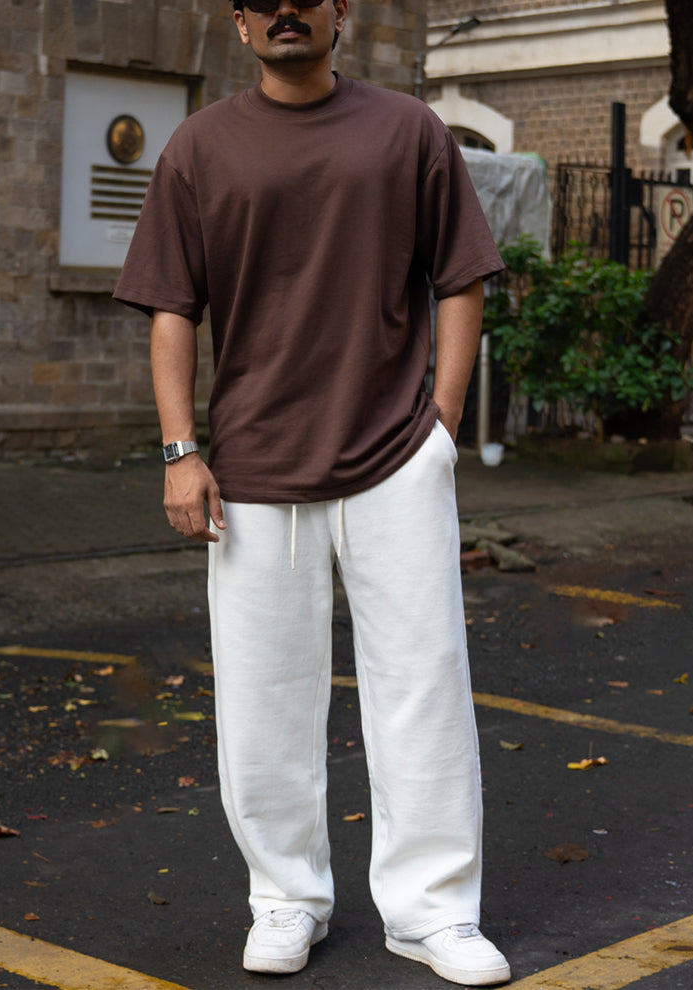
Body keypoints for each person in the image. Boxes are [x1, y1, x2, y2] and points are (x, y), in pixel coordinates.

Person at [114, 0, 510, 984]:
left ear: (340, 13)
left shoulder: (408, 130)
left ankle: (434, 913)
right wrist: (179, 450)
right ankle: (285, 899)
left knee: (423, 689)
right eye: (263, 0)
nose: (285, 9)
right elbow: (171, 307)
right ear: (241, 24)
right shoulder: (199, 148)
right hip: (252, 471)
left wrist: (442, 426)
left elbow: (461, 278)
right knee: (264, 702)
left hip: (395, 458)